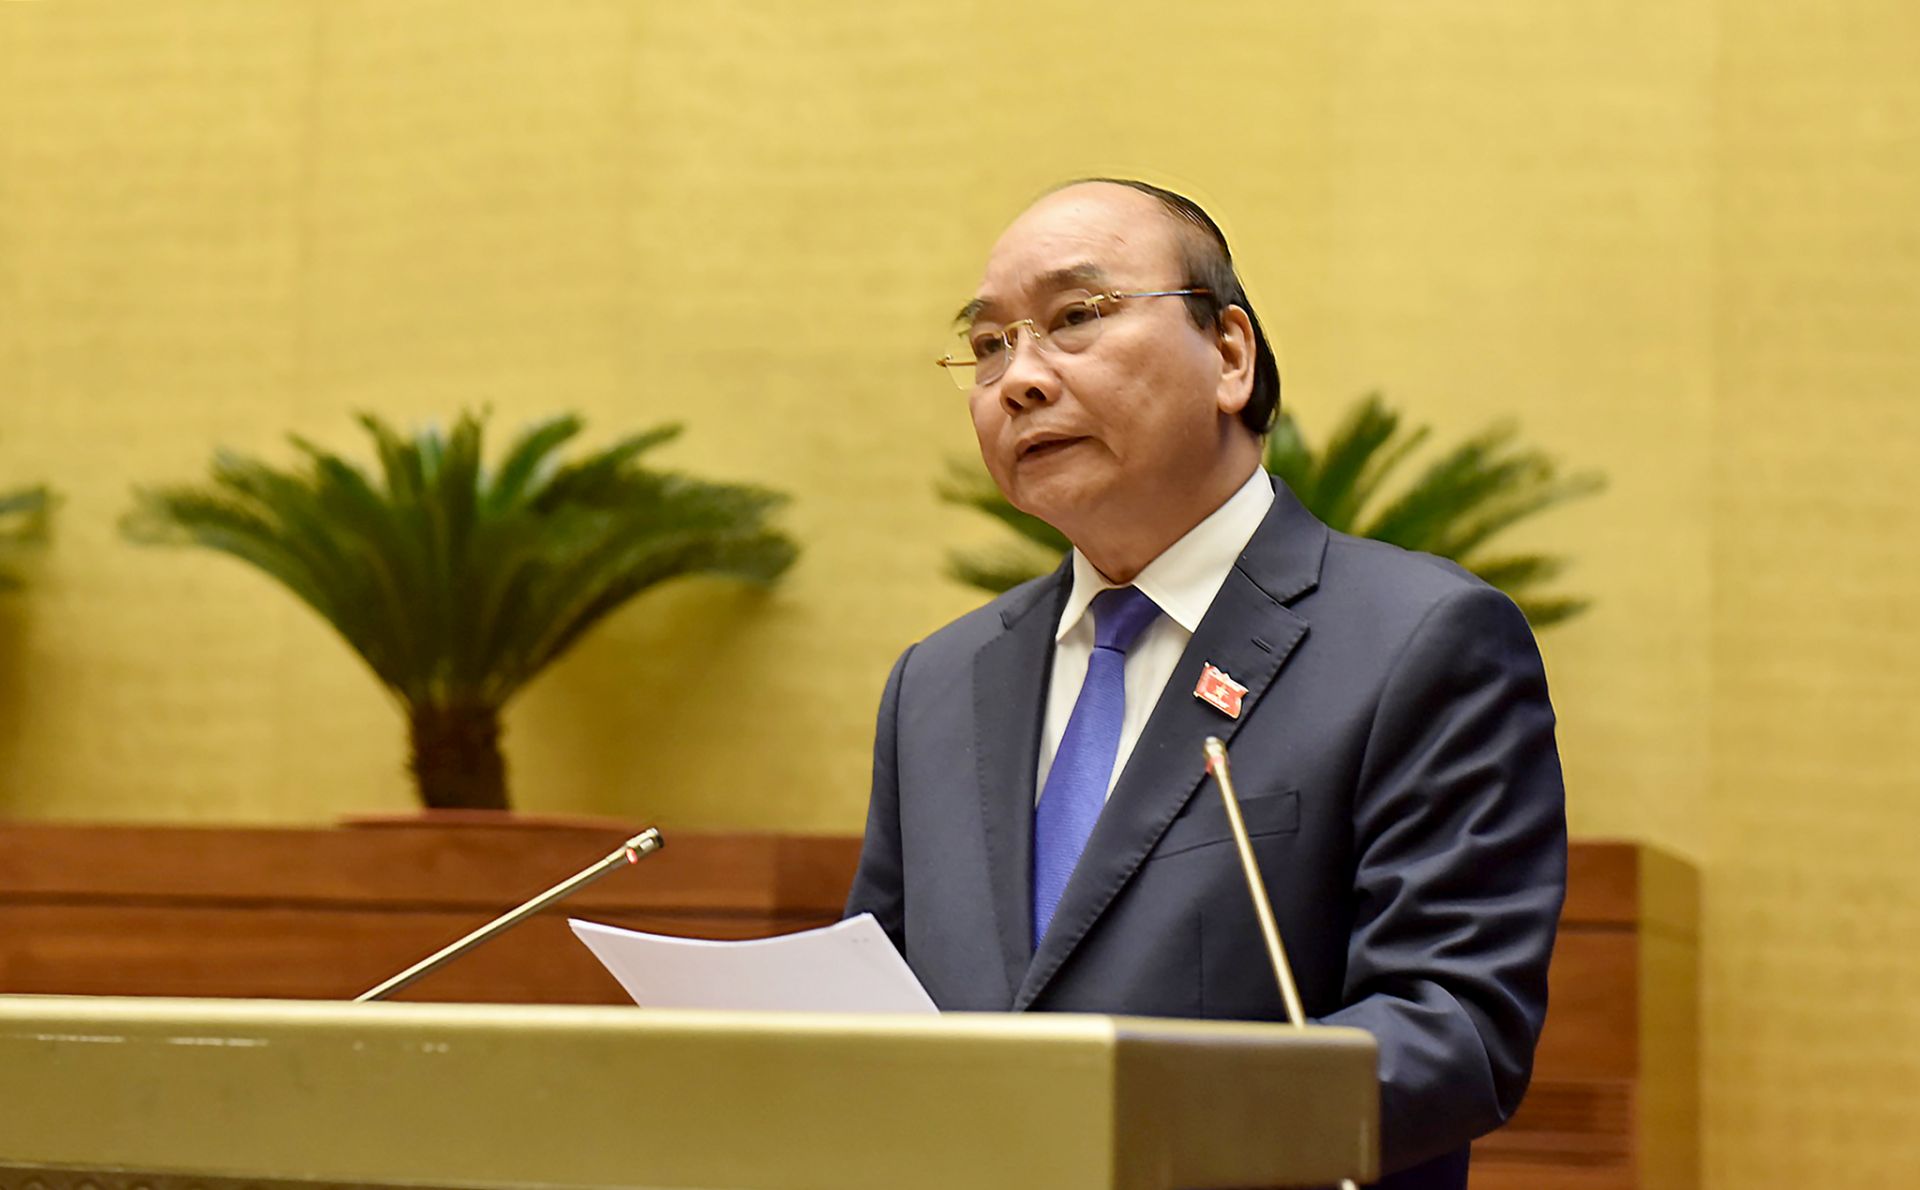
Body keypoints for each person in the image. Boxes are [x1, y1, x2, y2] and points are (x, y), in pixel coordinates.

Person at [844, 179, 1567, 1190]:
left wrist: (1124, 1122)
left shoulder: (1418, 640)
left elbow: (1454, 1027)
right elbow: (875, 1006)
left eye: (1076, 317)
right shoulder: (938, 681)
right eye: (989, 344)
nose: (1019, 379)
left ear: (1229, 355)